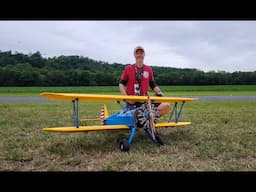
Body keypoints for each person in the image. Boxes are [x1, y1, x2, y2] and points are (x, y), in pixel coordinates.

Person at [119, 46, 170, 117]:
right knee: (132, 116)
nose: (139, 55)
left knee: (166, 106)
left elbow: (152, 84)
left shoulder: (148, 69)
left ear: (144, 55)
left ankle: (148, 119)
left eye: (141, 53)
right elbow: (121, 84)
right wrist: (126, 97)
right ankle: (135, 115)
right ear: (134, 55)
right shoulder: (128, 68)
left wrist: (159, 92)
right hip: (132, 102)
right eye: (137, 53)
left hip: (145, 101)